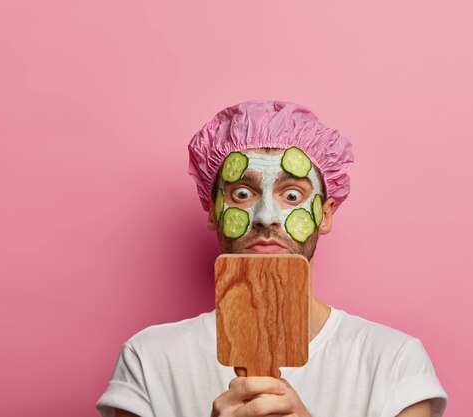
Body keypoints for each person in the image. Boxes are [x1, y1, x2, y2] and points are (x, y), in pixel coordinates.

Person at [95, 100, 448, 417]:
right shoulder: (149, 359)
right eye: (243, 193)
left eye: (292, 194)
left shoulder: (394, 363)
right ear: (212, 212)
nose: (266, 216)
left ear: (325, 215)